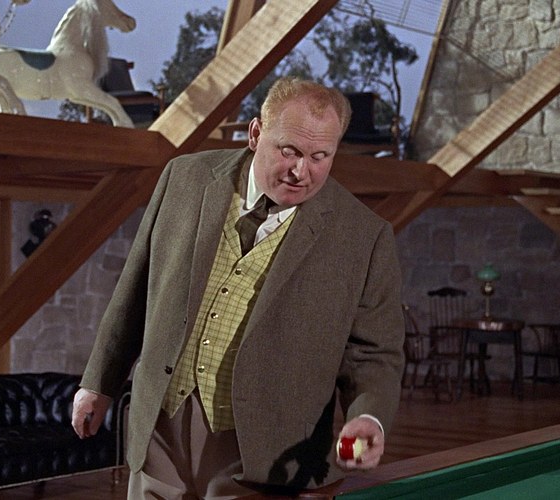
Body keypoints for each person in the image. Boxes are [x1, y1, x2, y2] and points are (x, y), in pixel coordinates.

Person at [72, 77, 404, 498]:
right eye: (289, 151)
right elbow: (136, 288)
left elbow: (374, 354)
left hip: (263, 452)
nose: (301, 171)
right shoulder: (184, 178)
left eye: (320, 156)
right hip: (158, 430)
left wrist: (369, 417)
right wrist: (99, 382)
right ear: (255, 133)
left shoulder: (364, 236)